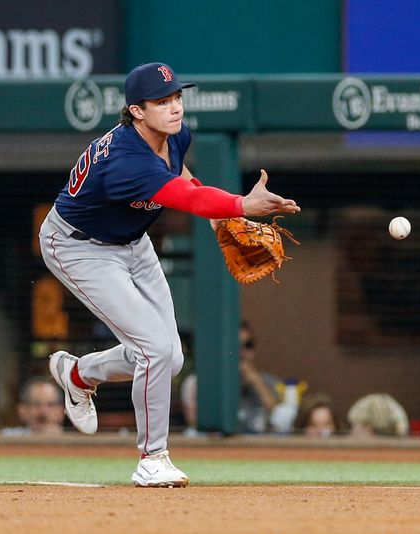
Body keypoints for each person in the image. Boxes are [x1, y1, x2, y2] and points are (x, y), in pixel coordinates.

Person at [39, 62, 299, 487]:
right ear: (136, 111)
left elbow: (182, 176)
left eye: (177, 96)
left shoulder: (176, 134)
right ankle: (152, 458)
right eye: (162, 101)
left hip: (132, 242)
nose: (175, 107)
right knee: (156, 350)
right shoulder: (125, 161)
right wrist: (239, 206)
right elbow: (183, 198)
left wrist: (220, 219)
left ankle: (77, 374)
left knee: (169, 356)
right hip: (77, 246)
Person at [179, 321, 284, 434]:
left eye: (248, 345)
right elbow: (196, 424)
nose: (242, 353)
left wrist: (257, 383)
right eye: (236, 346)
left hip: (261, 447)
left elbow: (283, 423)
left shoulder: (269, 382)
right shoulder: (197, 382)